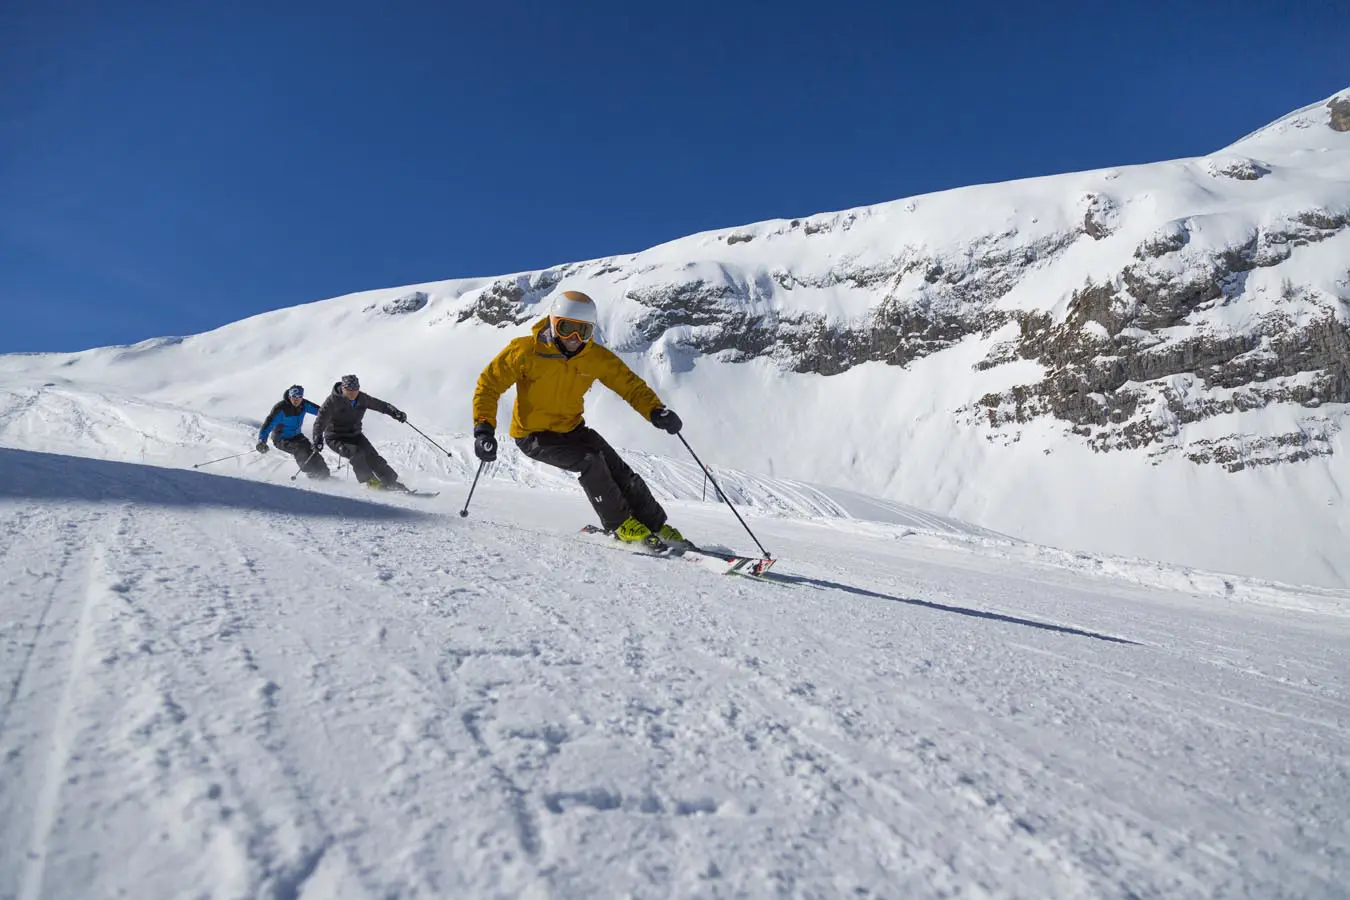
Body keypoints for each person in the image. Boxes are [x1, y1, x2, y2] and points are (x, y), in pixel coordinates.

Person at [472, 289, 686, 548]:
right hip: (533, 435)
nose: (574, 339)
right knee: (590, 462)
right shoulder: (525, 352)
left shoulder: (595, 357)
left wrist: (655, 410)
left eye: (582, 332)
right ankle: (620, 525)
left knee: (617, 469)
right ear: (553, 324)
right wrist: (484, 428)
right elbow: (489, 384)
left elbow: (630, 386)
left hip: (573, 429)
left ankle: (655, 525)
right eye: (567, 329)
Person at [313, 374, 409, 490]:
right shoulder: (332, 401)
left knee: (372, 456)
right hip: (336, 438)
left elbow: (381, 406)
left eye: (356, 390)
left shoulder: (362, 398)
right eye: (349, 391)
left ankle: (390, 481)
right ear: (343, 388)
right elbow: (320, 420)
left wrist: (395, 413)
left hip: (355, 435)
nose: (353, 393)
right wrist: (317, 437)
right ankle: (372, 482)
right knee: (356, 454)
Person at [256, 384, 330, 478]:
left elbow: (321, 412)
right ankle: (312, 473)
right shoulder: (281, 409)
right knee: (300, 449)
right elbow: (268, 425)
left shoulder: (304, 405)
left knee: (313, 451)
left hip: (297, 436)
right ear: (290, 396)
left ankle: (325, 474)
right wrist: (262, 440)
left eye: (299, 397)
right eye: (294, 397)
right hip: (281, 439)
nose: (296, 400)